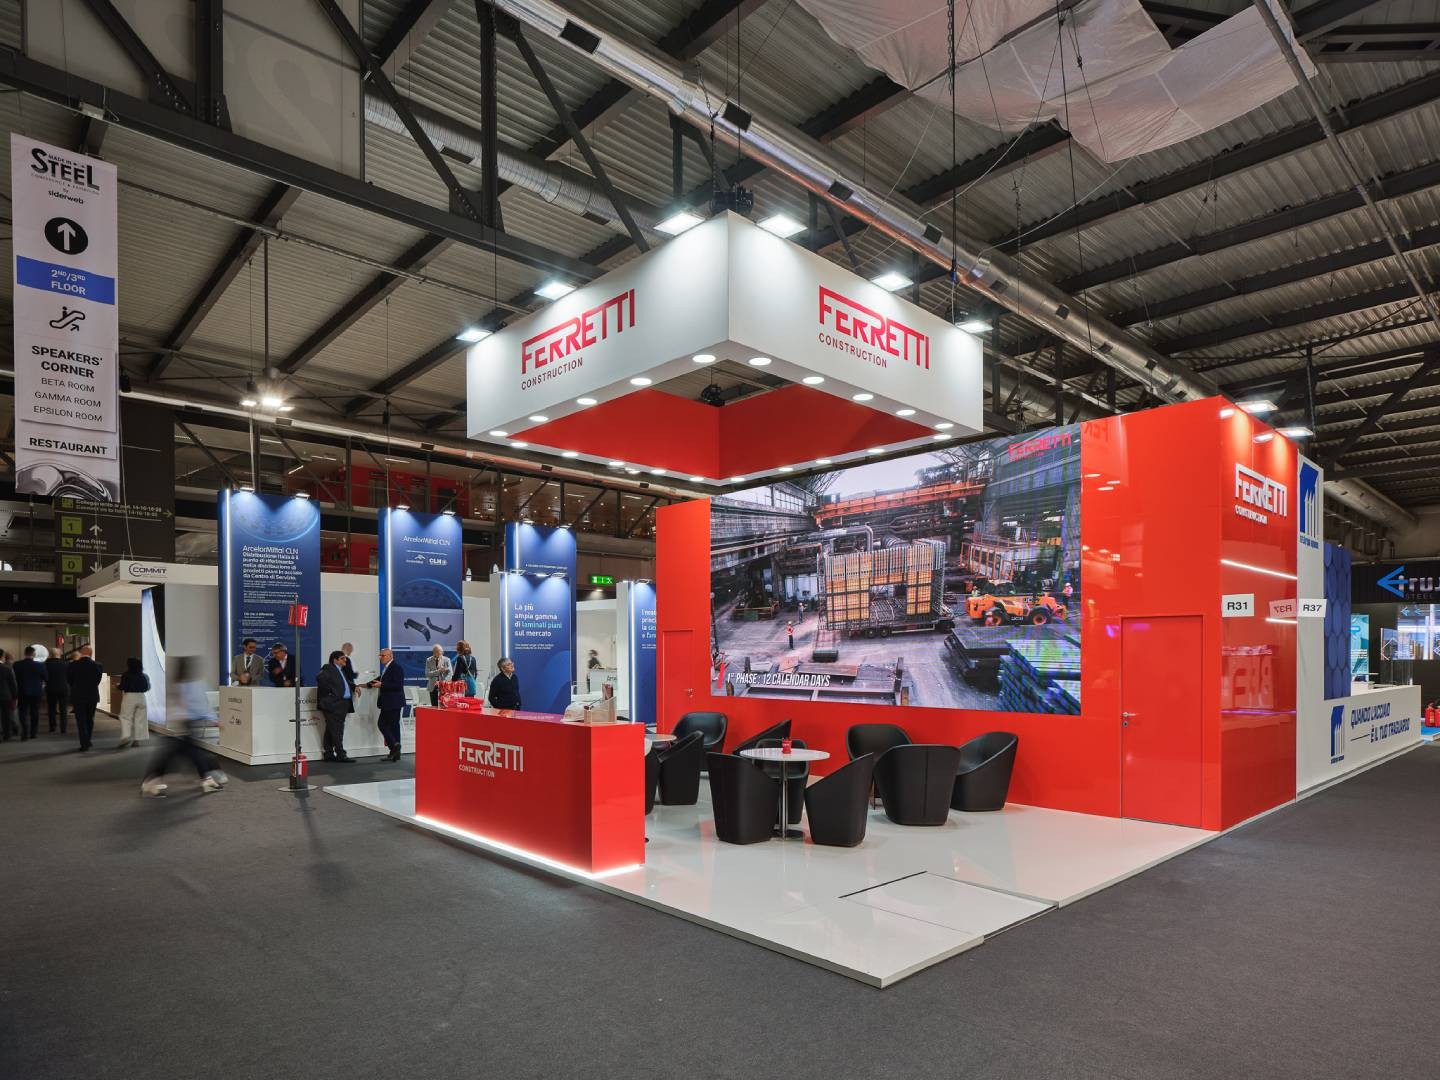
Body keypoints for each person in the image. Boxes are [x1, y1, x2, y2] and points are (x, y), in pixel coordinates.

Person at [142, 655, 227, 797]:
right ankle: (151, 781)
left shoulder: (178, 684)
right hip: (187, 723)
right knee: (180, 753)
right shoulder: (192, 685)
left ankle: (206, 779)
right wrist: (213, 719)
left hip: (183, 723)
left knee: (185, 752)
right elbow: (200, 705)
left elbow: (189, 705)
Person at [315, 650, 357, 763]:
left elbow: (344, 682)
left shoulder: (340, 670)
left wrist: (354, 686)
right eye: (342, 658)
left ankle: (329, 753)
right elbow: (320, 679)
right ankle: (341, 754)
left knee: (331, 729)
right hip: (334, 704)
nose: (345, 660)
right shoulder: (328, 668)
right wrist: (331, 695)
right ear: (335, 660)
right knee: (337, 730)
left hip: (341, 704)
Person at [366, 648, 405, 762]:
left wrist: (382, 685)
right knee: (393, 727)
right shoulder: (387, 668)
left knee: (383, 724)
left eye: (383, 655)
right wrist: (364, 685)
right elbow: (379, 680)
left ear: (390, 656)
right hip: (389, 702)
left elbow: (398, 685)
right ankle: (395, 753)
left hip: (393, 702)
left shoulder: (396, 667)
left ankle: (394, 746)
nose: (381, 657)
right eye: (380, 655)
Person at [67, 646, 104, 752]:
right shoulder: (98, 665)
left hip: (78, 695)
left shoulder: (72, 665)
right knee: (90, 718)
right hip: (92, 695)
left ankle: (84, 743)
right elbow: (97, 680)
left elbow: (69, 680)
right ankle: (88, 740)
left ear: (81, 653)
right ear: (91, 654)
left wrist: (76, 687)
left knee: (81, 720)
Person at [13, 646, 46, 741]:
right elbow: (46, 677)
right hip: (36, 692)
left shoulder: (17, 665)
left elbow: (14, 678)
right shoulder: (40, 665)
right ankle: (33, 733)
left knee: (23, 712)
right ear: (34, 654)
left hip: (22, 691)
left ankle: (25, 732)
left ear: (25, 653)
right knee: (34, 712)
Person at [117, 657, 151, 749]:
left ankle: (126, 736)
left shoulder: (126, 675)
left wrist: (117, 686)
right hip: (141, 697)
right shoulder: (144, 675)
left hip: (129, 697)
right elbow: (147, 688)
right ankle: (137, 741)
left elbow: (123, 686)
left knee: (125, 717)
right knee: (140, 719)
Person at [44, 649, 71, 733]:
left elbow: (44, 677)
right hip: (63, 688)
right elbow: (69, 677)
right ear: (60, 654)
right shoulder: (66, 664)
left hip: (50, 688)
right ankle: (63, 728)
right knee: (63, 709)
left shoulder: (46, 664)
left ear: (50, 654)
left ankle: (52, 727)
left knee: (51, 709)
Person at [0, 652, 17, 741]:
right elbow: (13, 684)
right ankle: (7, 734)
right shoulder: (7, 669)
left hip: (5, 695)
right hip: (5, 695)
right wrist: (15, 696)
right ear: (2, 657)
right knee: (6, 716)